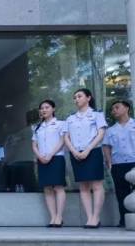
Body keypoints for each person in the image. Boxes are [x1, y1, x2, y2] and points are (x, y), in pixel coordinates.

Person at [63, 88, 107, 228]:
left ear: (88, 98)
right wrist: (74, 151)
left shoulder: (96, 114)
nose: (76, 99)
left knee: (96, 185)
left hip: (93, 152)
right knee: (83, 186)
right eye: (75, 97)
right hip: (76, 153)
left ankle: (96, 217)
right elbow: (66, 137)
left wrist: (88, 149)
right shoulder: (70, 118)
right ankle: (89, 218)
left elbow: (101, 133)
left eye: (79, 96)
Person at [31, 99, 66, 227]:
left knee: (58, 187)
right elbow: (34, 145)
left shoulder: (61, 124)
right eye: (42, 108)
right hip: (42, 159)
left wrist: (51, 154)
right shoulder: (37, 127)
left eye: (47, 107)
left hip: (56, 158)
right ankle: (52, 217)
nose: (44, 110)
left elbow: (63, 141)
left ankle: (59, 217)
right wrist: (40, 156)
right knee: (47, 189)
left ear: (53, 109)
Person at [102, 100, 135, 227]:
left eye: (117, 107)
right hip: (118, 164)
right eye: (112, 109)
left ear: (127, 108)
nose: (114, 110)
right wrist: (109, 161)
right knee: (121, 193)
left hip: (134, 162)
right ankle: (124, 220)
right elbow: (106, 147)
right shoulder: (110, 130)